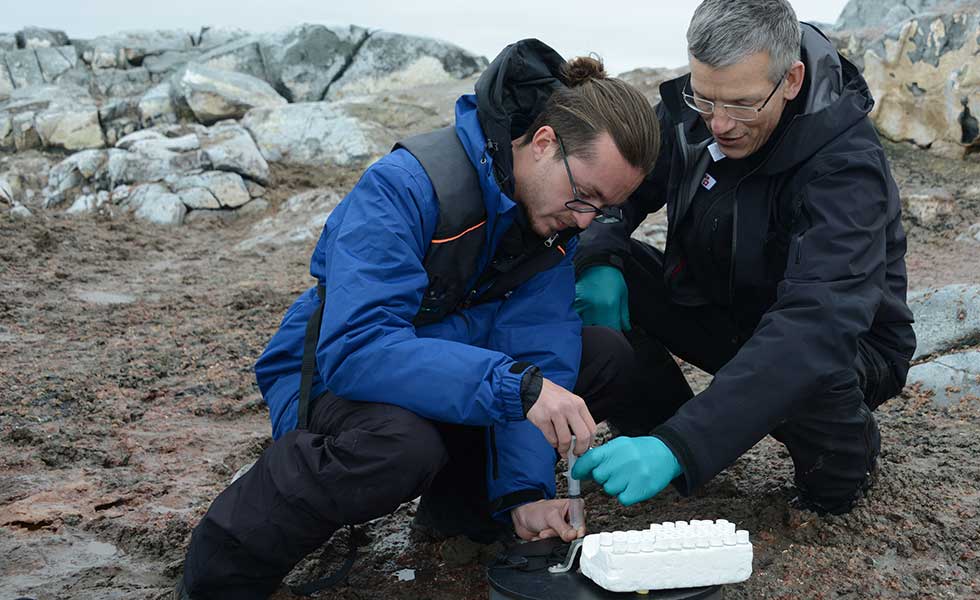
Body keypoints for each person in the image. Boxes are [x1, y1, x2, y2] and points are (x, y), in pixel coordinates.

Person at [176, 39, 659, 599]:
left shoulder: (553, 224)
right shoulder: (403, 186)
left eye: (602, 210)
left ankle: (466, 509)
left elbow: (539, 350)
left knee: (596, 357)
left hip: (440, 370)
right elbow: (357, 348)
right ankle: (222, 565)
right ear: (545, 142)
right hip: (329, 375)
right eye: (585, 198)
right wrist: (519, 388)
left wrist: (523, 496)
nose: (585, 222)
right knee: (402, 446)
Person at [571, 0, 917, 515]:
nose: (719, 124)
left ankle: (845, 454)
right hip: (722, 306)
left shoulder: (846, 169)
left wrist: (682, 447)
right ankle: (658, 422)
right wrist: (597, 258)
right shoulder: (699, 110)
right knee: (587, 269)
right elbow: (611, 191)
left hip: (844, 345)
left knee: (812, 386)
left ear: (793, 79)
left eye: (742, 104)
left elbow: (814, 326)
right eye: (705, 99)